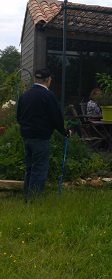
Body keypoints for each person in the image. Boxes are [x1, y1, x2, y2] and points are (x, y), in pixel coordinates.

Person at [16, 68, 72, 201]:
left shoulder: (25, 95)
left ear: (36, 79)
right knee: (39, 169)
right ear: (48, 80)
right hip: (41, 138)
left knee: (30, 168)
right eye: (51, 79)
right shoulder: (48, 96)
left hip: (27, 136)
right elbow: (56, 118)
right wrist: (65, 132)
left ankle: (27, 197)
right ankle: (34, 199)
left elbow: (18, 116)